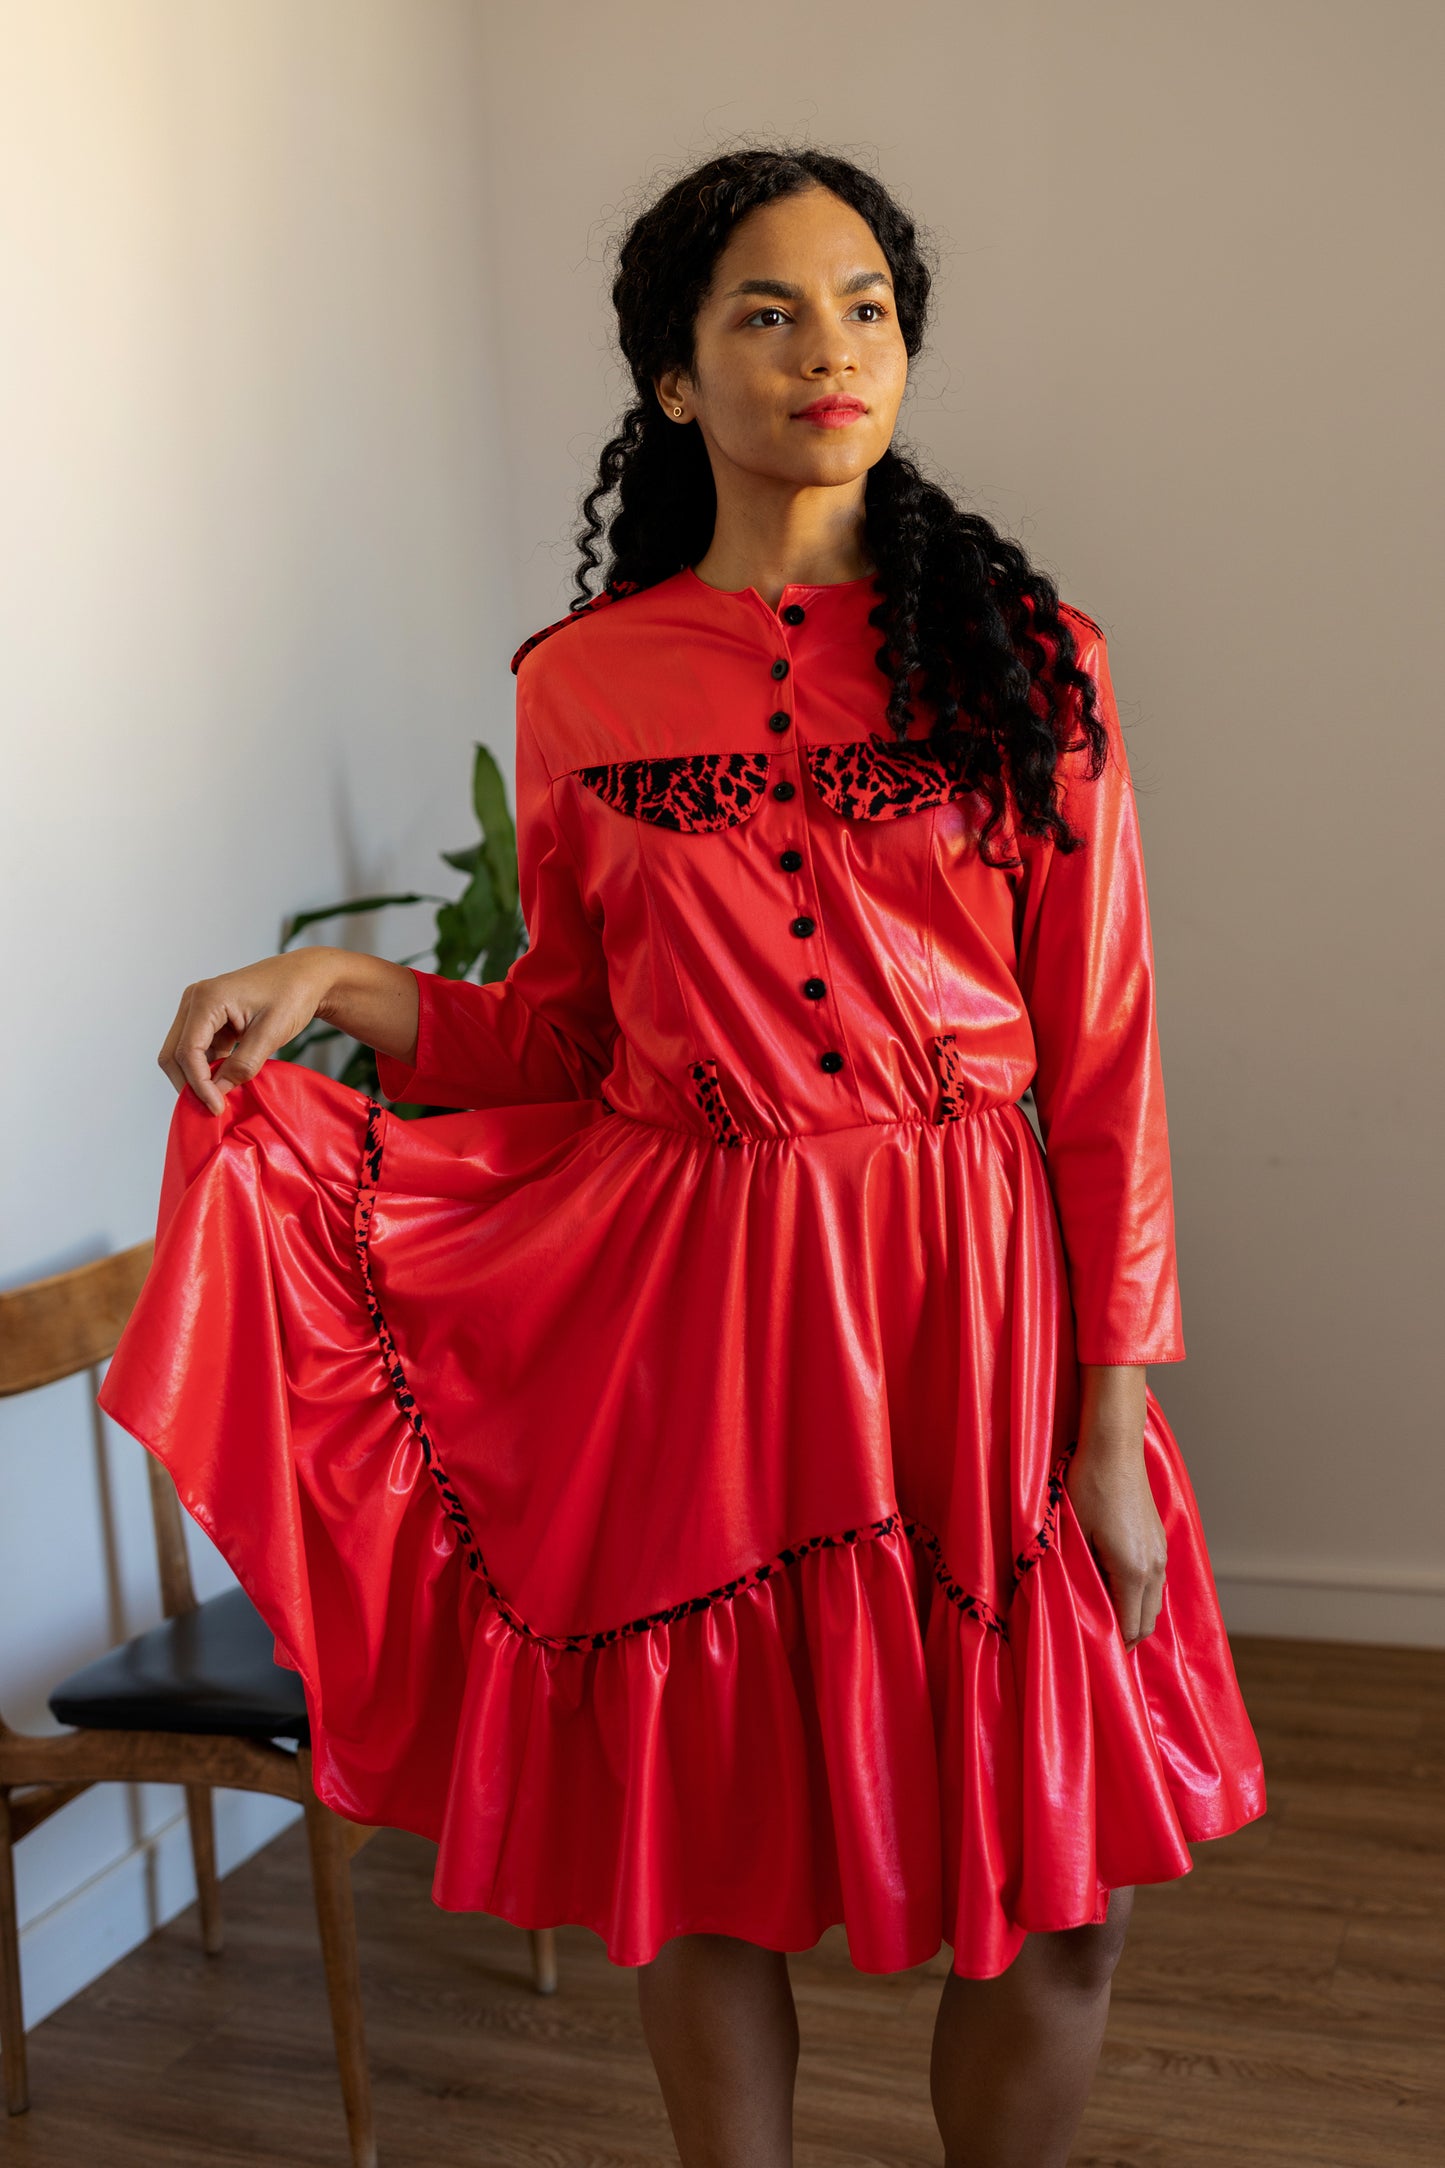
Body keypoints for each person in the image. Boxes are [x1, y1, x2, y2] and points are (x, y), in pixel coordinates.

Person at [99, 146, 1266, 2168]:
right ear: (671, 375)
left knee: (1067, 1895)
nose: (829, 350)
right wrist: (345, 990)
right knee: (706, 1858)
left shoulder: (1028, 656)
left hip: (978, 1306)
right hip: (707, 1316)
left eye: (865, 309)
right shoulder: (581, 683)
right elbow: (571, 1040)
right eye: (768, 312)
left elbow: (1106, 1065)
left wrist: (1110, 1408)